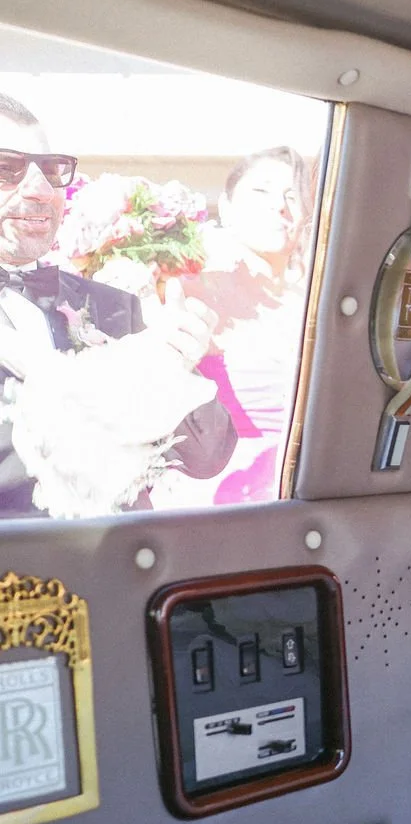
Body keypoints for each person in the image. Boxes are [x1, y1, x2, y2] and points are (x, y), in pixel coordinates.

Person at [0, 92, 230, 517]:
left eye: (51, 171)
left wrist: (176, 366)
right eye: (6, 168)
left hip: (122, 566)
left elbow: (206, 457)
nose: (39, 189)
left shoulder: (113, 306)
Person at [154, 145, 312, 507]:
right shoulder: (182, 288)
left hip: (299, 497)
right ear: (225, 207)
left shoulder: (316, 303)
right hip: (210, 494)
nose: (279, 205)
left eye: (292, 194)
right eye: (261, 191)